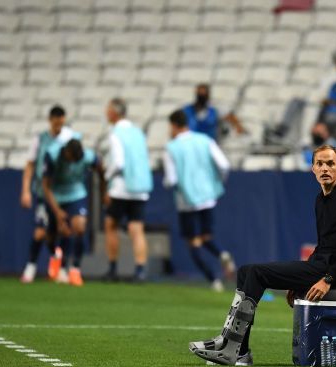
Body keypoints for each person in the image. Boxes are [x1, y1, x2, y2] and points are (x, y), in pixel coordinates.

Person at [188, 145, 336, 366]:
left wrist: (328, 279)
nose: (325, 168)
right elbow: (323, 246)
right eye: (319, 164)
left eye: (330, 164)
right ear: (312, 168)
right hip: (321, 265)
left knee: (256, 273)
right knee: (245, 271)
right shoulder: (320, 200)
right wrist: (296, 282)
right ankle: (229, 340)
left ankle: (236, 349)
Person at [163, 110, 236, 291]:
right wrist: (216, 183)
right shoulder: (205, 140)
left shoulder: (171, 147)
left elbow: (171, 180)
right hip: (208, 197)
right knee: (206, 237)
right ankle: (222, 253)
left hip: (186, 201)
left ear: (173, 125)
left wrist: (165, 183)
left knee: (194, 243)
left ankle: (214, 280)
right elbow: (224, 165)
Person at [19, 105, 79, 283]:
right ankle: (31, 266)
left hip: (65, 194)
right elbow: (30, 164)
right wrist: (25, 190)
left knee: (65, 230)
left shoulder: (70, 138)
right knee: (40, 232)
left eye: (61, 122)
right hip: (44, 192)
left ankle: (60, 268)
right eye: (55, 122)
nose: (58, 126)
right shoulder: (41, 139)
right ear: (50, 120)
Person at [102, 98, 153, 282]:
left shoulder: (116, 133)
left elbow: (119, 162)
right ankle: (140, 270)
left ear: (114, 113)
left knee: (111, 225)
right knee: (136, 229)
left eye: (108, 110)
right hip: (140, 187)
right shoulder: (138, 132)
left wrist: (106, 176)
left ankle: (113, 268)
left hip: (121, 187)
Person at [41, 138, 100, 286]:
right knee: (51, 236)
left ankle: (75, 269)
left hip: (76, 194)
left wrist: (104, 191)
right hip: (55, 195)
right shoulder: (52, 156)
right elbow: (46, 187)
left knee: (79, 228)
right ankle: (57, 262)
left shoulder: (88, 156)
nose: (73, 162)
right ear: (66, 152)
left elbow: (101, 168)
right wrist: (58, 212)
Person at [182, 83, 247, 142]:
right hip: (192, 144)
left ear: (208, 95)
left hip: (210, 144)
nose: (201, 97)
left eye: (204, 95)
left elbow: (230, 116)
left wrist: (238, 127)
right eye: (200, 95)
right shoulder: (187, 110)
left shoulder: (215, 110)